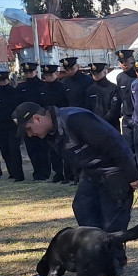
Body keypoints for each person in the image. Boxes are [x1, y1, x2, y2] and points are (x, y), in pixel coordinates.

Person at [14, 100, 138, 232]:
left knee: (111, 224)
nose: (30, 134)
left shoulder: (74, 119)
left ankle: (112, 249)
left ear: (37, 118)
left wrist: (132, 176)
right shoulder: (50, 133)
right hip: (91, 172)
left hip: (114, 170)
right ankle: (93, 247)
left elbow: (113, 145)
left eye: (28, 129)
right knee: (83, 208)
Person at [60, 56, 93, 185]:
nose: (70, 71)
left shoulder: (87, 81)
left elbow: (89, 101)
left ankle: (86, 176)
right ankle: (75, 176)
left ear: (77, 67)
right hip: (70, 120)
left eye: (72, 68)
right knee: (73, 148)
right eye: (67, 69)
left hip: (84, 118)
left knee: (85, 149)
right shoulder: (66, 83)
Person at [0, 69, 24, 181]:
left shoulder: (14, 93)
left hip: (12, 126)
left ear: (8, 79)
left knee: (14, 150)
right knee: (5, 151)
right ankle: (12, 172)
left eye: (3, 79)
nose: (2, 82)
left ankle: (19, 175)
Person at [18, 62, 50, 180]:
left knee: (43, 148)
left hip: (40, 122)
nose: (29, 74)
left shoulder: (43, 86)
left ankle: (45, 172)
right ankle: (37, 172)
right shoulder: (21, 88)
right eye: (26, 72)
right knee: (32, 149)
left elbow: (46, 104)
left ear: (36, 72)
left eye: (31, 72)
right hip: (27, 123)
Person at [38, 64, 69, 183]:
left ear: (56, 74)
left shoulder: (62, 87)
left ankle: (68, 173)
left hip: (61, 120)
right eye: (46, 75)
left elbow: (66, 103)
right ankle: (58, 173)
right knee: (52, 149)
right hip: (48, 122)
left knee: (65, 147)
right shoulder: (42, 89)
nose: (49, 77)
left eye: (50, 75)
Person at [86, 62, 121, 130]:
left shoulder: (113, 88)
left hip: (111, 125)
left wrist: (102, 121)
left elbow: (114, 110)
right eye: (94, 73)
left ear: (104, 72)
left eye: (98, 73)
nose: (96, 75)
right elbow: (88, 107)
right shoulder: (90, 89)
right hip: (95, 125)